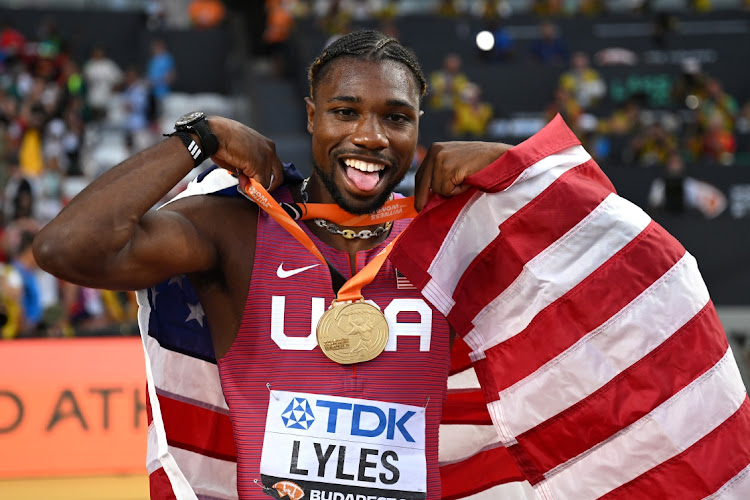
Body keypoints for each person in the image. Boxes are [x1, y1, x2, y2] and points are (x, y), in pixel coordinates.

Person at [33, 30, 509, 499]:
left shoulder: (451, 238)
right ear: (310, 116)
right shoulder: (237, 230)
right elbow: (65, 248)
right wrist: (201, 136)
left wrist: (514, 169)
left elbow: (583, 275)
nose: (370, 136)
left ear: (419, 127)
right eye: (345, 112)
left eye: (397, 118)